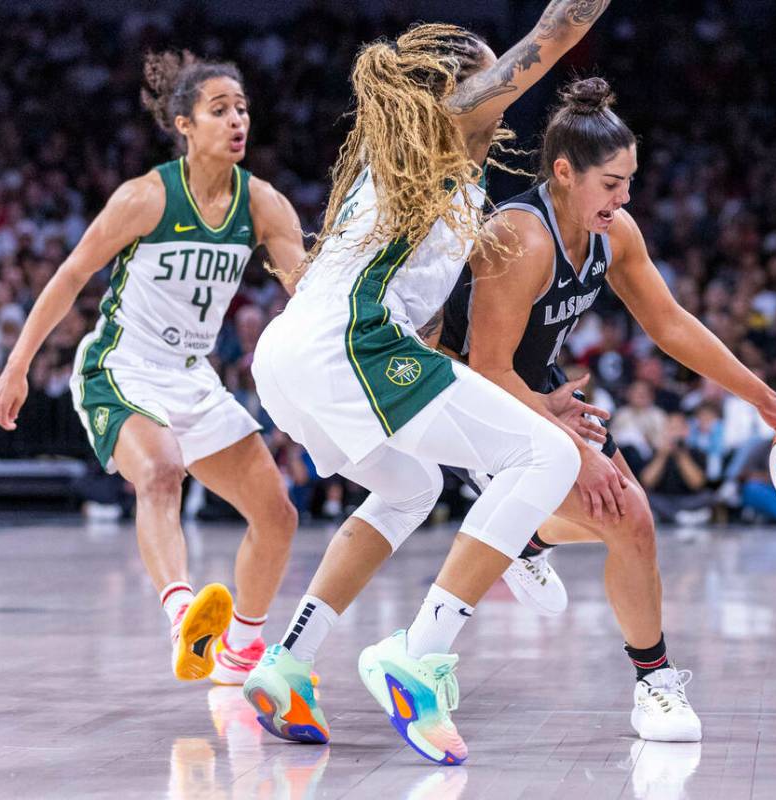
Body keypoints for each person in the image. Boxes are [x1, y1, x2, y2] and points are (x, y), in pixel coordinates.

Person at [243, 4, 613, 766]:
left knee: (412, 485)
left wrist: (523, 406)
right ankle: (420, 654)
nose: (501, 88)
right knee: (547, 460)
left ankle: (287, 665)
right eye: (489, 71)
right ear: (453, 87)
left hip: (308, 354)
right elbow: (554, 37)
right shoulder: (438, 129)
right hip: (344, 345)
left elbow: (431, 337)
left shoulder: (452, 184)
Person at [437, 77, 776, 743]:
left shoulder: (614, 231)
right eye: (611, 183)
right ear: (565, 173)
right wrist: (570, 445)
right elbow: (485, 368)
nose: (623, 197)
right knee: (627, 512)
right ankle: (653, 682)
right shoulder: (521, 237)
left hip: (537, 390)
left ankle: (528, 539)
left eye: (629, 181)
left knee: (632, 522)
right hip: (464, 397)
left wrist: (764, 397)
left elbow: (669, 323)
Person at [0, 52, 303, 685]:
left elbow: (310, 296)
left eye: (242, 109)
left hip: (192, 375)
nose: (237, 121)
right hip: (122, 364)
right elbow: (73, 274)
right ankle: (185, 618)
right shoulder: (147, 196)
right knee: (161, 471)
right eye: (220, 111)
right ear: (184, 124)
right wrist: (17, 363)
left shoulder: (264, 205)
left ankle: (239, 650)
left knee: (279, 515)